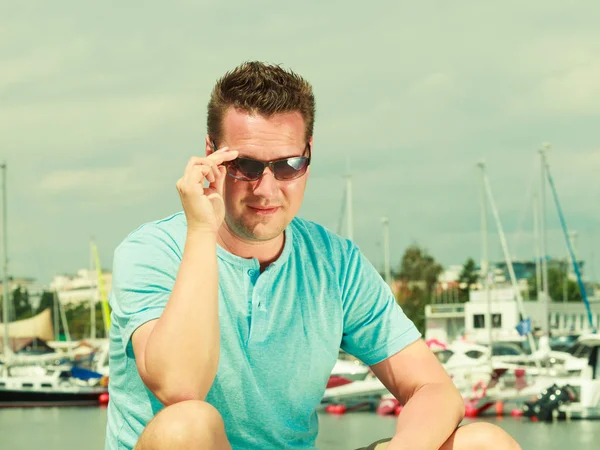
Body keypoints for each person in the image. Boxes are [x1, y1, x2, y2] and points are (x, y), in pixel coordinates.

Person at [104, 61, 521, 450]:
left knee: (484, 443)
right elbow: (181, 386)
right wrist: (200, 230)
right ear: (211, 154)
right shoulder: (151, 252)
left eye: (287, 165)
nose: (266, 189)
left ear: (308, 154)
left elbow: (434, 389)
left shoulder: (334, 262)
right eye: (245, 165)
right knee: (186, 425)